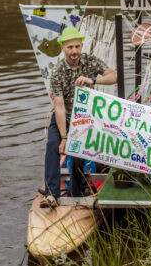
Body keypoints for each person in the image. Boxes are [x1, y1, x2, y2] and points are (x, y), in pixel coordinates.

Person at [40, 26, 117, 208]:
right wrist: (64, 137)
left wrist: (93, 80)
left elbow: (114, 76)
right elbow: (58, 106)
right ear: (62, 48)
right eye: (70, 47)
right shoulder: (57, 71)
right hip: (64, 116)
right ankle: (51, 194)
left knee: (77, 153)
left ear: (81, 46)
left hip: (84, 117)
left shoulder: (90, 62)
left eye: (77, 47)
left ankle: (76, 191)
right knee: (52, 145)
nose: (74, 51)